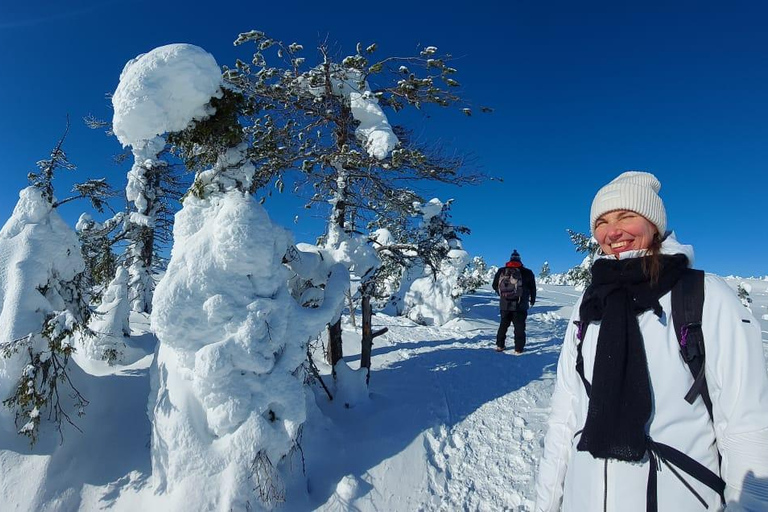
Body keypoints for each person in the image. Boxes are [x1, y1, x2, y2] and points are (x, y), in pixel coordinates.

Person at [535, 171, 768, 511]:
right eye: (601, 221)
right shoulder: (589, 304)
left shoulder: (704, 296)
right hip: (583, 498)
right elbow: (565, 414)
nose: (612, 231)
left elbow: (747, 425)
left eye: (626, 216)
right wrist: (546, 503)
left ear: (654, 224)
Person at [491, 249, 536, 354]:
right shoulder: (527, 272)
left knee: (503, 325)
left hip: (504, 304)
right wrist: (532, 299)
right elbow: (532, 288)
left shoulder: (502, 271)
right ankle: (518, 349)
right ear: (520, 260)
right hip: (521, 305)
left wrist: (503, 295)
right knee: (519, 327)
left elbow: (494, 285)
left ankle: (500, 346)